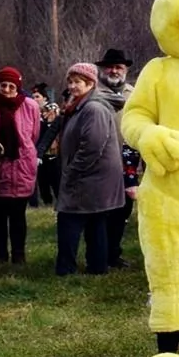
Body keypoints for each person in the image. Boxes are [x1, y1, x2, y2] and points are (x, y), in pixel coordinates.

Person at [54, 62, 125, 276]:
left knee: (69, 219)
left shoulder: (93, 108)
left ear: (91, 84)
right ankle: (97, 266)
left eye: (78, 82)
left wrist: (72, 171)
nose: (72, 86)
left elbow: (92, 146)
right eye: (70, 82)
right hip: (93, 177)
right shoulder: (80, 105)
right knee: (95, 221)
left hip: (90, 176)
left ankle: (66, 268)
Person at [0, 65, 41, 265]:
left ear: (18, 87)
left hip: (22, 165)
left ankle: (19, 254)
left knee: (18, 215)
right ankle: (0, 255)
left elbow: (34, 135)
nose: (7, 89)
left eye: (11, 86)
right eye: (3, 85)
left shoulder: (30, 106)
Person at [93, 48, 140, 269]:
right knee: (102, 211)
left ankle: (114, 253)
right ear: (102, 69)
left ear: (125, 70)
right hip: (101, 161)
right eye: (109, 67)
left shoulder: (135, 94)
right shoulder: (92, 92)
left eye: (118, 67)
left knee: (122, 211)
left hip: (128, 161)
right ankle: (99, 254)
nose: (114, 71)